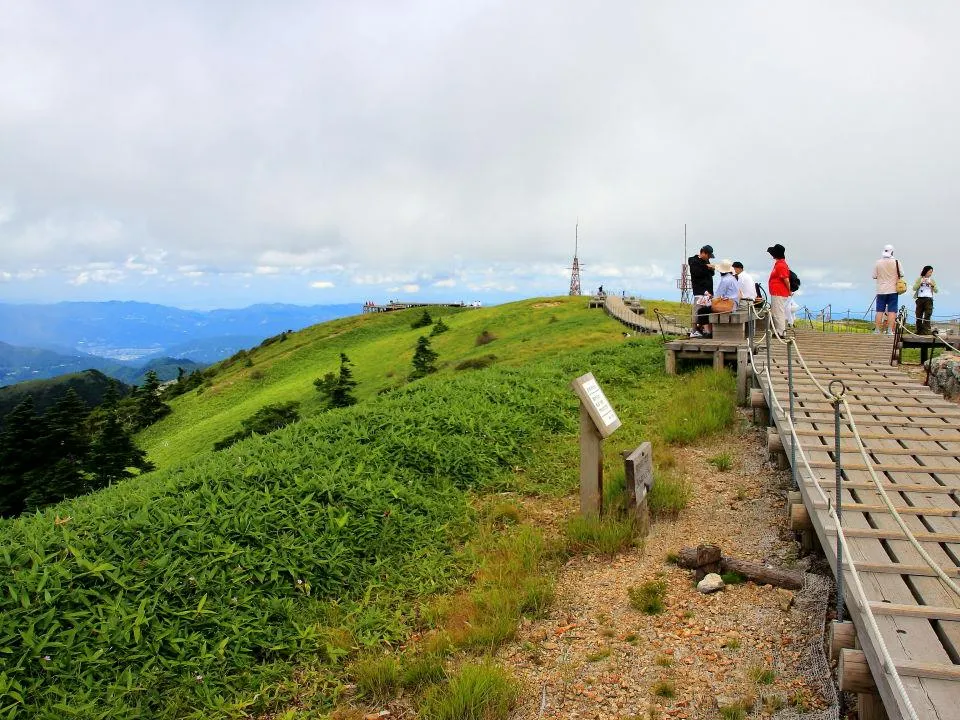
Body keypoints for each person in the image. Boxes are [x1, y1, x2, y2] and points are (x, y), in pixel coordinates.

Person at [872, 244, 901, 335]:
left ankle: (877, 330)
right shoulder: (896, 262)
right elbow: (902, 274)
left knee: (879, 310)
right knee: (892, 311)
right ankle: (889, 330)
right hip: (893, 289)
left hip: (881, 290)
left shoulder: (878, 262)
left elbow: (874, 276)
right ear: (892, 251)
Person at [689, 245, 715, 337]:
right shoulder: (693, 260)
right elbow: (697, 273)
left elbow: (711, 273)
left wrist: (711, 268)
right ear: (703, 252)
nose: (708, 258)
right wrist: (706, 267)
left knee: (705, 311)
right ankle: (694, 330)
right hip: (700, 291)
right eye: (708, 255)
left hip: (708, 292)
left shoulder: (706, 261)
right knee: (697, 310)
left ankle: (702, 329)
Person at [766, 244, 791, 338]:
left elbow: (786, 279)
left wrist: (789, 290)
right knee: (777, 311)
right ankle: (779, 330)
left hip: (779, 292)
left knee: (778, 312)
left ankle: (781, 332)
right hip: (777, 291)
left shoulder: (780, 265)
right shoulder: (779, 264)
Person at [913, 265, 937, 334]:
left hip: (929, 299)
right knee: (918, 315)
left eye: (931, 272)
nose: (931, 273)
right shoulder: (919, 279)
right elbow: (914, 288)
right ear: (925, 271)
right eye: (930, 272)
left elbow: (936, 290)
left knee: (928, 315)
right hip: (920, 299)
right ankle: (918, 331)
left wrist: (932, 285)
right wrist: (920, 283)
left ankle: (926, 331)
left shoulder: (932, 280)